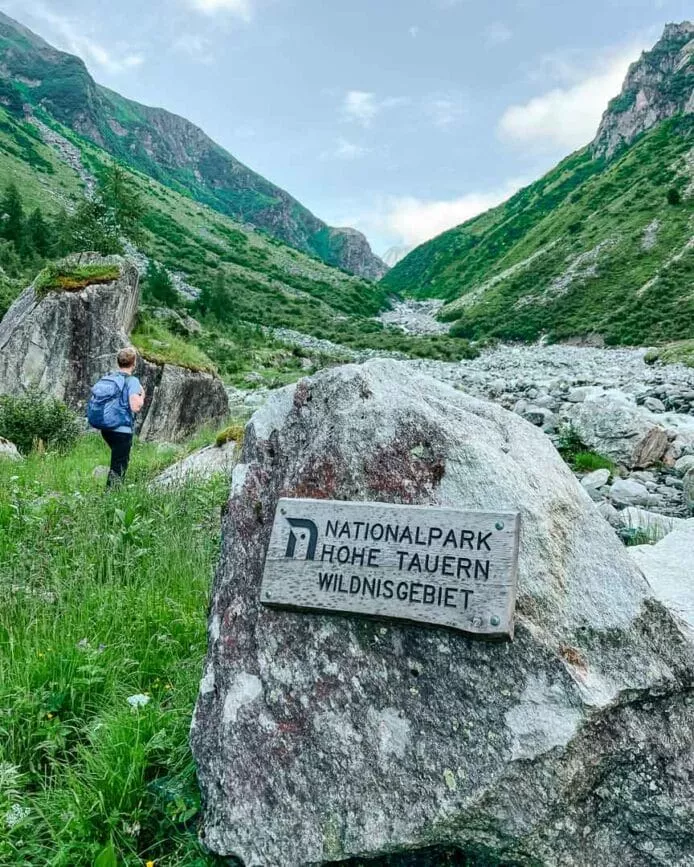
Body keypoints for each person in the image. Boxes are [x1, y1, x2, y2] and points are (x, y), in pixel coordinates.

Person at [96, 347, 145, 487]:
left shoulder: (111, 377)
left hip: (106, 429)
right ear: (134, 363)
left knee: (117, 461)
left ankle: (111, 494)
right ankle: (111, 499)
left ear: (118, 362)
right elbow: (135, 407)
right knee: (119, 467)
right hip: (121, 430)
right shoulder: (132, 381)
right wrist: (142, 396)